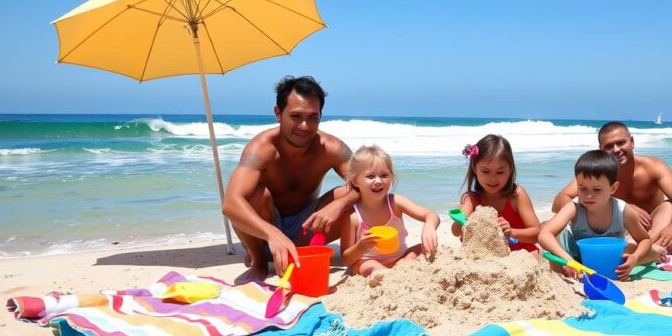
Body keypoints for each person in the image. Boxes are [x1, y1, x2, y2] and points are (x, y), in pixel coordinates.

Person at [223, 76, 358, 278]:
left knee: (351, 193)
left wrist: (339, 204)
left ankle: (355, 258)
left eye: (313, 117)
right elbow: (231, 204)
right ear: (278, 113)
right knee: (254, 194)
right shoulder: (261, 148)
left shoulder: (331, 148)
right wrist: (272, 234)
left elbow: (371, 183)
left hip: (306, 230)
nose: (304, 126)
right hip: (263, 235)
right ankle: (259, 262)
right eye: (296, 116)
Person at [552, 122, 672, 255]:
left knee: (669, 206)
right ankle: (642, 250)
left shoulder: (653, 167)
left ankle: (647, 247)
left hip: (648, 231)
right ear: (601, 149)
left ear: (632, 142)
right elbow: (558, 202)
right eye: (609, 146)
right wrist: (623, 207)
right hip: (614, 233)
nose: (616, 150)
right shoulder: (598, 175)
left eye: (621, 143)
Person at [539, 150, 653, 280]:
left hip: (608, 258)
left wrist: (635, 258)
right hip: (575, 257)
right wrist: (569, 260)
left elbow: (645, 239)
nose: (588, 195)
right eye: (582, 188)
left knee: (644, 252)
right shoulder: (575, 207)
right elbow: (544, 234)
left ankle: (658, 252)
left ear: (613, 188)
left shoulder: (622, 210)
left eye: (597, 189)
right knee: (549, 234)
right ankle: (560, 276)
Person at [339, 145, 440, 275]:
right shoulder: (352, 216)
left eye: (384, 175)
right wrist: (361, 246)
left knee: (423, 248)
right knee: (368, 265)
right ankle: (384, 273)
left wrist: (429, 225)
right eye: (370, 176)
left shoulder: (396, 202)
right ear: (355, 181)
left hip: (400, 257)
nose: (378, 181)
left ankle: (399, 267)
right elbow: (346, 260)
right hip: (368, 262)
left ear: (391, 177)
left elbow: (431, 215)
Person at [451, 135, 541, 254]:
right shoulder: (471, 200)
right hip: (488, 256)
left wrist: (512, 232)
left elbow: (537, 233)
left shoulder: (516, 195)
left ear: (510, 169)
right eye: (485, 171)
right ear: (474, 168)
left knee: (535, 255)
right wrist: (465, 222)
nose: (492, 178)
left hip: (522, 253)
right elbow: (455, 231)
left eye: (500, 172)